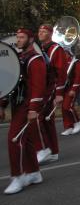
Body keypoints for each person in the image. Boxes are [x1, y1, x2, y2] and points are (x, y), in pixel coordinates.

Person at [1, 29, 47, 194]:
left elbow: (38, 87)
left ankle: (17, 177)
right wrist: (2, 104)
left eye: (22, 37)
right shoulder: (19, 58)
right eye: (18, 37)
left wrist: (34, 109)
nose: (18, 40)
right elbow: (12, 84)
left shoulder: (35, 60)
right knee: (25, 140)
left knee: (14, 140)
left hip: (27, 105)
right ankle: (34, 173)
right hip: (18, 104)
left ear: (30, 39)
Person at [34, 24, 67, 164]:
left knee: (40, 118)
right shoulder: (39, 49)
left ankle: (45, 149)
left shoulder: (55, 49)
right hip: (42, 88)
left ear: (50, 33)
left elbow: (61, 72)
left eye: (44, 31)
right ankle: (53, 152)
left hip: (51, 88)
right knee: (47, 121)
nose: (40, 33)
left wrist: (59, 93)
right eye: (39, 31)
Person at [60, 49, 80, 136]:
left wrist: (73, 89)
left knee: (68, 106)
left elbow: (77, 77)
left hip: (72, 87)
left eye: (64, 53)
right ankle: (68, 127)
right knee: (63, 108)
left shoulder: (75, 62)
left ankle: (77, 122)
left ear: (68, 53)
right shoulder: (61, 62)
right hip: (64, 88)